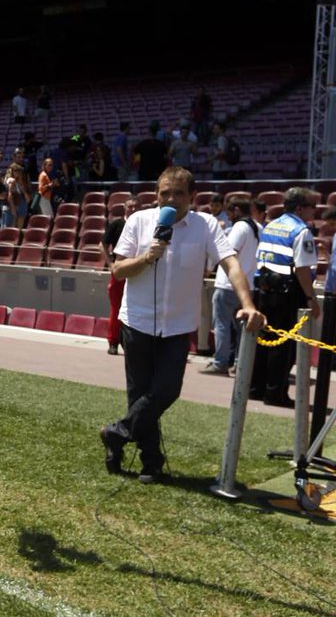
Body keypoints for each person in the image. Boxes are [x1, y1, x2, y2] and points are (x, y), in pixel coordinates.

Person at [99, 168, 264, 483]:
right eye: (165, 193)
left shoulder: (206, 225)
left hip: (178, 325)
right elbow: (118, 270)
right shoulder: (139, 221)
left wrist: (248, 304)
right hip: (137, 321)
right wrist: (147, 257)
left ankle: (116, 433)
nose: (170, 199)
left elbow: (231, 264)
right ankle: (151, 463)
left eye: (178, 193)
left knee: (166, 390)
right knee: (140, 395)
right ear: (156, 194)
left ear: (192, 197)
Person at [250, 188, 321, 407]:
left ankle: (255, 388)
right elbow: (302, 269)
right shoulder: (301, 231)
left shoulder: (271, 225)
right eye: (311, 207)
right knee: (284, 346)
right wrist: (311, 299)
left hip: (265, 289)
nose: (315, 211)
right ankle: (275, 394)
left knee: (263, 342)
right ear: (299, 208)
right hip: (287, 292)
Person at [200, 197, 259, 376]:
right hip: (248, 285)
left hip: (228, 284)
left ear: (237, 210)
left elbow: (227, 254)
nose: (228, 215)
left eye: (230, 212)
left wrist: (208, 268)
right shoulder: (257, 226)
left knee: (222, 325)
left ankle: (220, 362)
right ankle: (240, 363)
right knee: (241, 329)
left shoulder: (239, 227)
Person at [103, 198, 138, 355]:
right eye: (130, 206)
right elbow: (102, 245)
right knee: (116, 308)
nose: (133, 209)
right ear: (125, 207)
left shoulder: (142, 225)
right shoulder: (116, 224)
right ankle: (113, 342)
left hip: (138, 271)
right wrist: (111, 265)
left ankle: (131, 343)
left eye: (136, 206)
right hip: (120, 272)